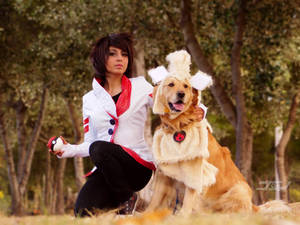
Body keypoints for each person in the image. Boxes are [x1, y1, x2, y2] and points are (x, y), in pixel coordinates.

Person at [48, 33, 204, 217]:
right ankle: (129, 212)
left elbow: (171, 102)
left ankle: (126, 199)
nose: (120, 59)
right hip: (106, 167)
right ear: (100, 58)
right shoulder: (89, 100)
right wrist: (66, 150)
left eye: (124, 54)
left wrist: (199, 108)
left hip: (137, 167)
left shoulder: (141, 87)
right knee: (82, 213)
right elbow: (90, 143)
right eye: (113, 54)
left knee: (99, 149)